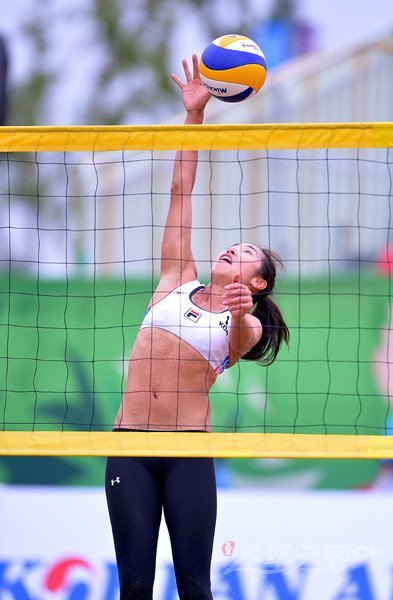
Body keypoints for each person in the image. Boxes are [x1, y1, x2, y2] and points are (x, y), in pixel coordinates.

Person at [105, 55, 289, 600]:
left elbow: (236, 343)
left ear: (257, 283)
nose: (233, 248)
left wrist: (235, 313)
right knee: (134, 586)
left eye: (246, 253)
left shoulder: (248, 323)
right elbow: (180, 190)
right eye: (233, 245)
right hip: (128, 444)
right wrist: (194, 116)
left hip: (187, 450)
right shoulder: (175, 280)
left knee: (194, 587)